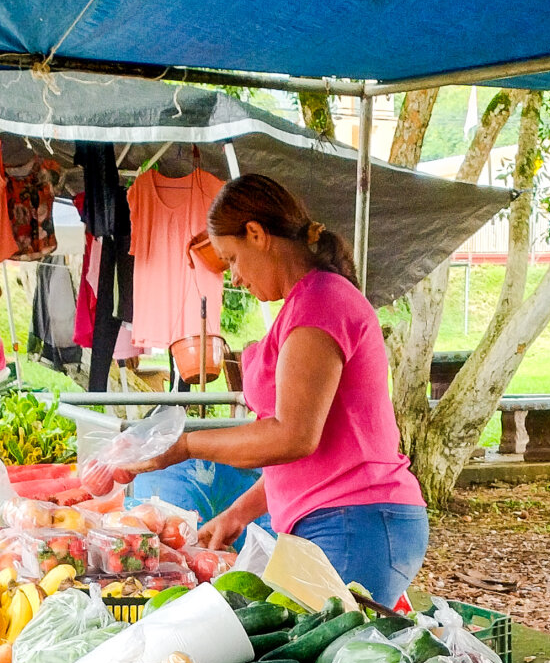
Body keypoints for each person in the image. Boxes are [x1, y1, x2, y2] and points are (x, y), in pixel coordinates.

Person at [111, 174, 428, 605]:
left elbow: (293, 436)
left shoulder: (320, 303)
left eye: (233, 259)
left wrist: (186, 446)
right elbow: (306, 454)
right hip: (339, 519)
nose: (235, 278)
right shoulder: (304, 303)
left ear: (257, 235)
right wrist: (236, 515)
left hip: (356, 521)